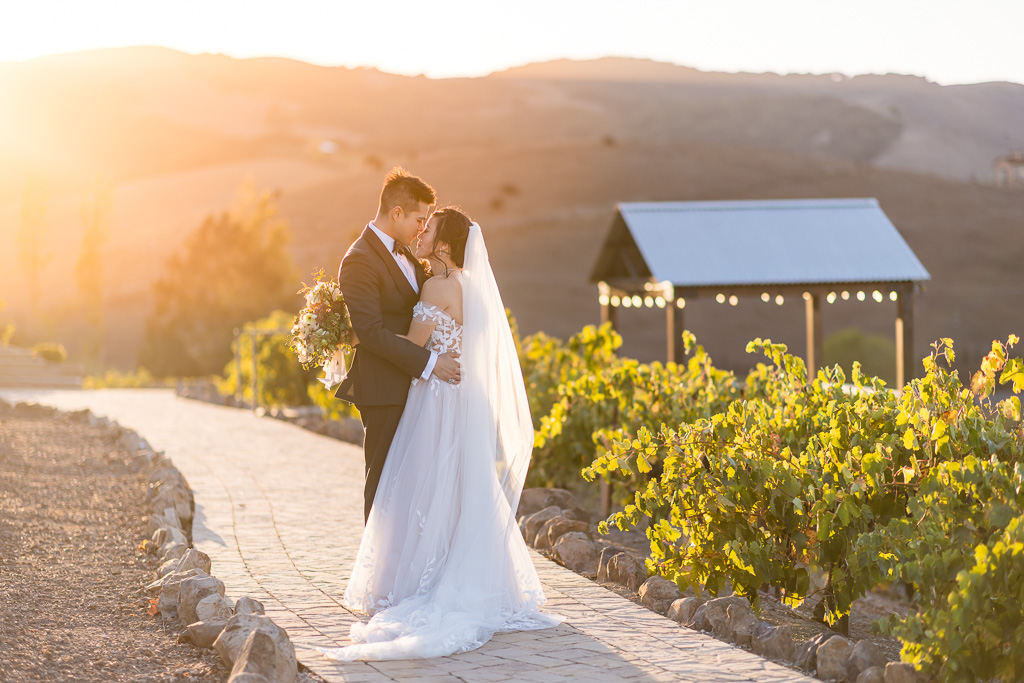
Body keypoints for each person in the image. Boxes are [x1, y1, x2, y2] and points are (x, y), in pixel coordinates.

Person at [317, 207, 562, 661]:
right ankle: (458, 571)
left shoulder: (435, 285)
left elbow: (410, 346)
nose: (421, 232)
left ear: (445, 245)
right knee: (457, 487)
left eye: (428, 228)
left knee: (419, 488)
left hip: (434, 396)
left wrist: (353, 333)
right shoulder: (470, 286)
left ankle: (414, 583)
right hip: (460, 397)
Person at [334, 168, 462, 523]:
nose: (422, 228)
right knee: (382, 485)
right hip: (384, 387)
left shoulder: (406, 255)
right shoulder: (360, 259)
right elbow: (372, 332)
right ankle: (377, 573)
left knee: (411, 488)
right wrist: (430, 361)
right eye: (419, 219)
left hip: (418, 390)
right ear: (397, 214)